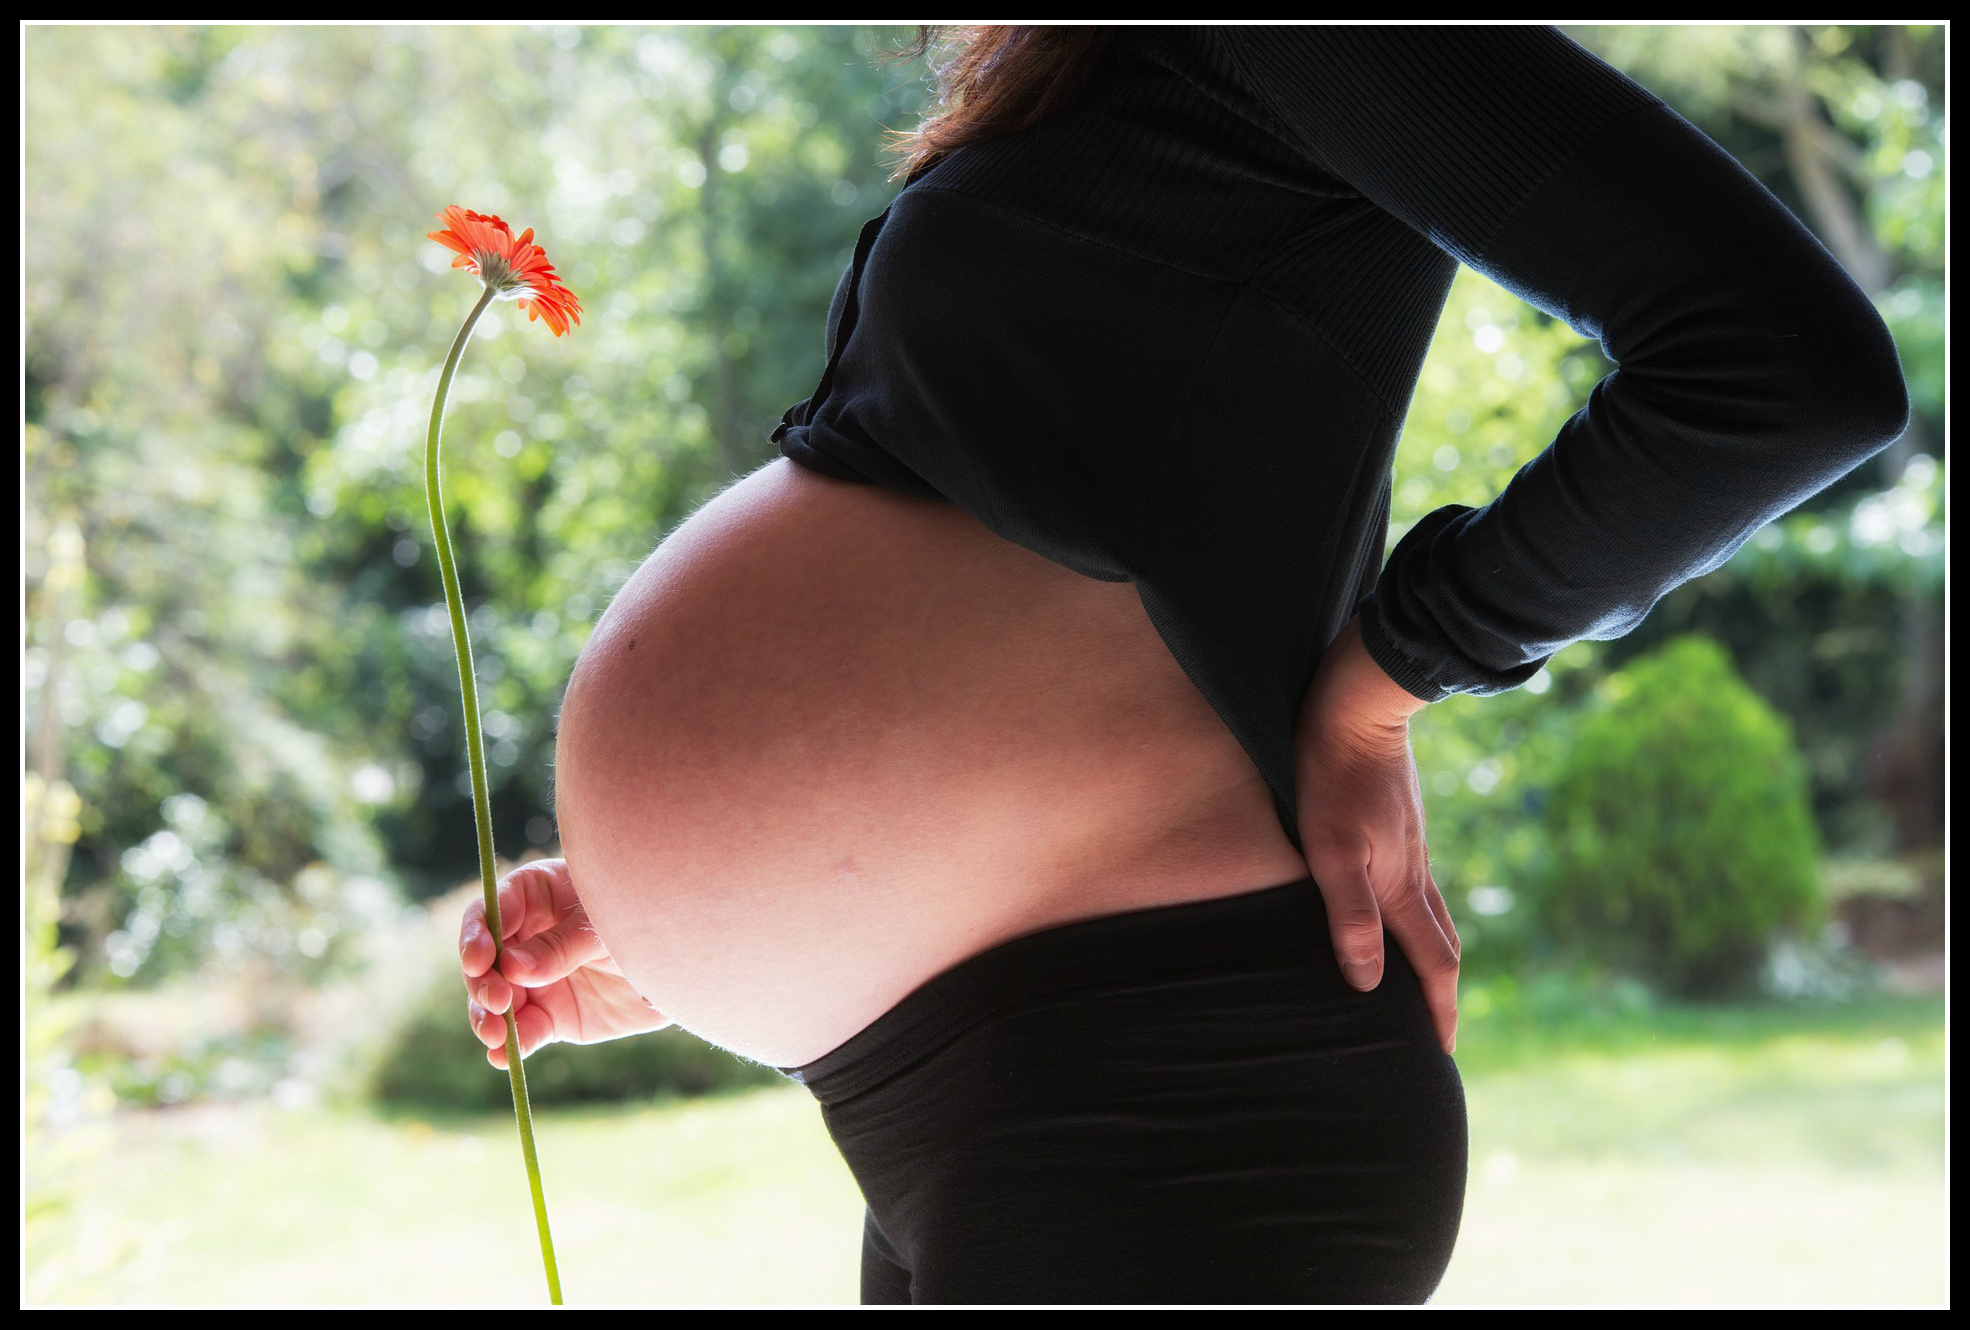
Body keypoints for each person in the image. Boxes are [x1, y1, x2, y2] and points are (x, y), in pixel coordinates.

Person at [457, 25, 1909, 1305]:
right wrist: (692, 925)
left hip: (1166, 1102)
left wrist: (1388, 671)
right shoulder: (1112, 69)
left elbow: (1781, 371)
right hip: (984, 1074)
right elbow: (1079, 514)